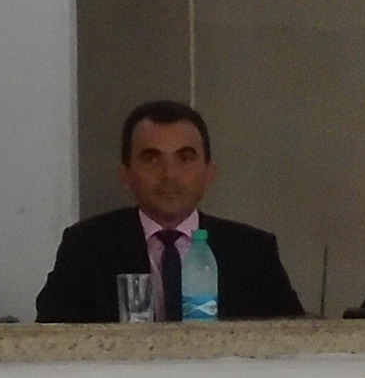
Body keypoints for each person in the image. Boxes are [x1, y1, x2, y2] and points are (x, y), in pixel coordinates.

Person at [34, 100, 306, 322]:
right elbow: (48, 340)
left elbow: (296, 341)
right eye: (152, 159)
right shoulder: (86, 247)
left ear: (209, 173)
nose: (169, 175)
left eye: (185, 158)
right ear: (125, 175)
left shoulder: (252, 251)